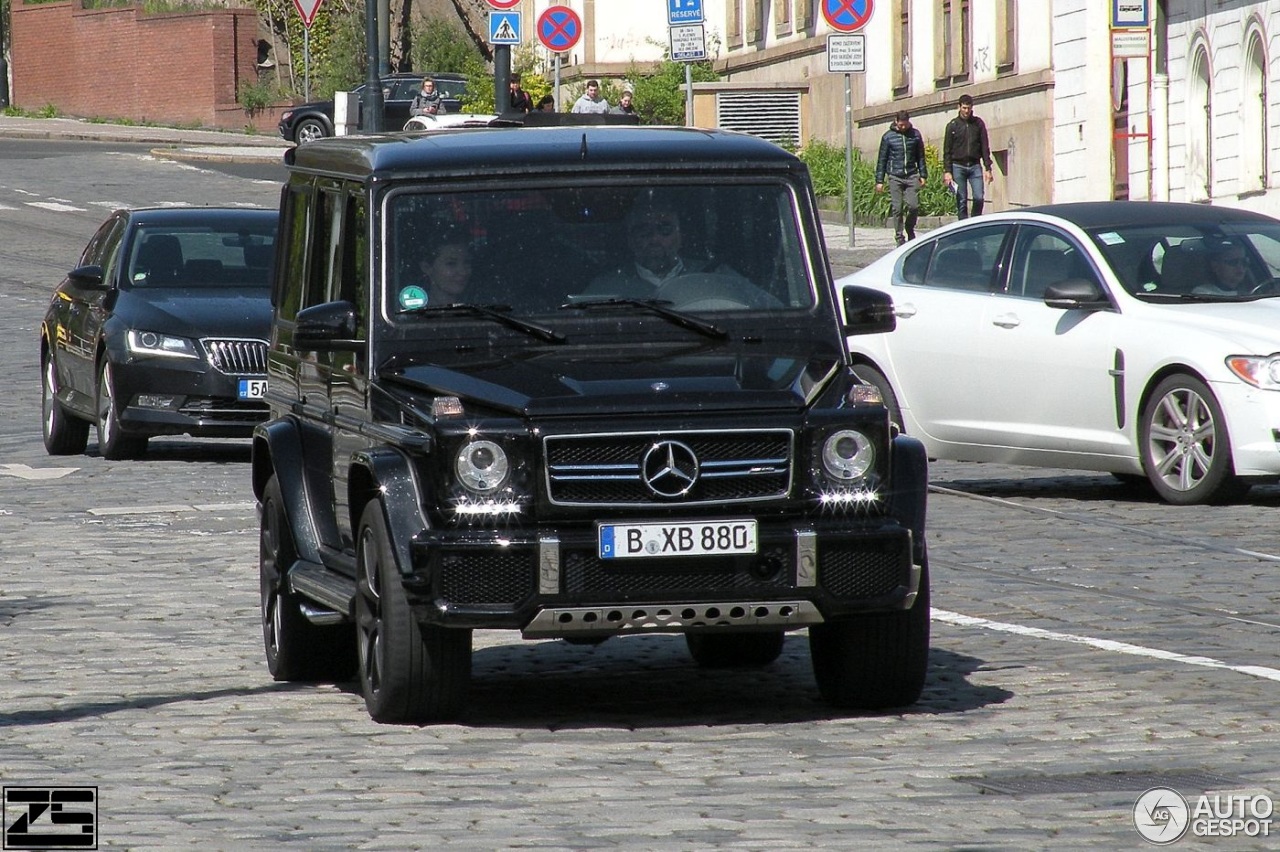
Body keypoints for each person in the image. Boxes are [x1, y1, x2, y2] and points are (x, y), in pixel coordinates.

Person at [875, 110, 928, 246]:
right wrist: (879, 180)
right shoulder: (888, 137)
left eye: (904, 124)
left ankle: (909, 228)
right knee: (897, 208)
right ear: (896, 121)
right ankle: (899, 236)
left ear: (908, 122)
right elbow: (882, 159)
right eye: (900, 124)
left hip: (911, 175)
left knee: (913, 206)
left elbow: (920, 156)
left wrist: (923, 175)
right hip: (895, 176)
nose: (902, 127)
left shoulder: (915, 135)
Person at [942, 94, 994, 219]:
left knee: (978, 197)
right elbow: (947, 150)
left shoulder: (978, 124)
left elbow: (984, 146)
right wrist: (947, 171)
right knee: (961, 200)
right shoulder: (953, 125)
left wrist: (988, 168)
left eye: (968, 108)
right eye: (964, 108)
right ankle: (963, 226)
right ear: (959, 107)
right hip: (958, 166)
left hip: (974, 165)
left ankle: (975, 222)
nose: (966, 111)